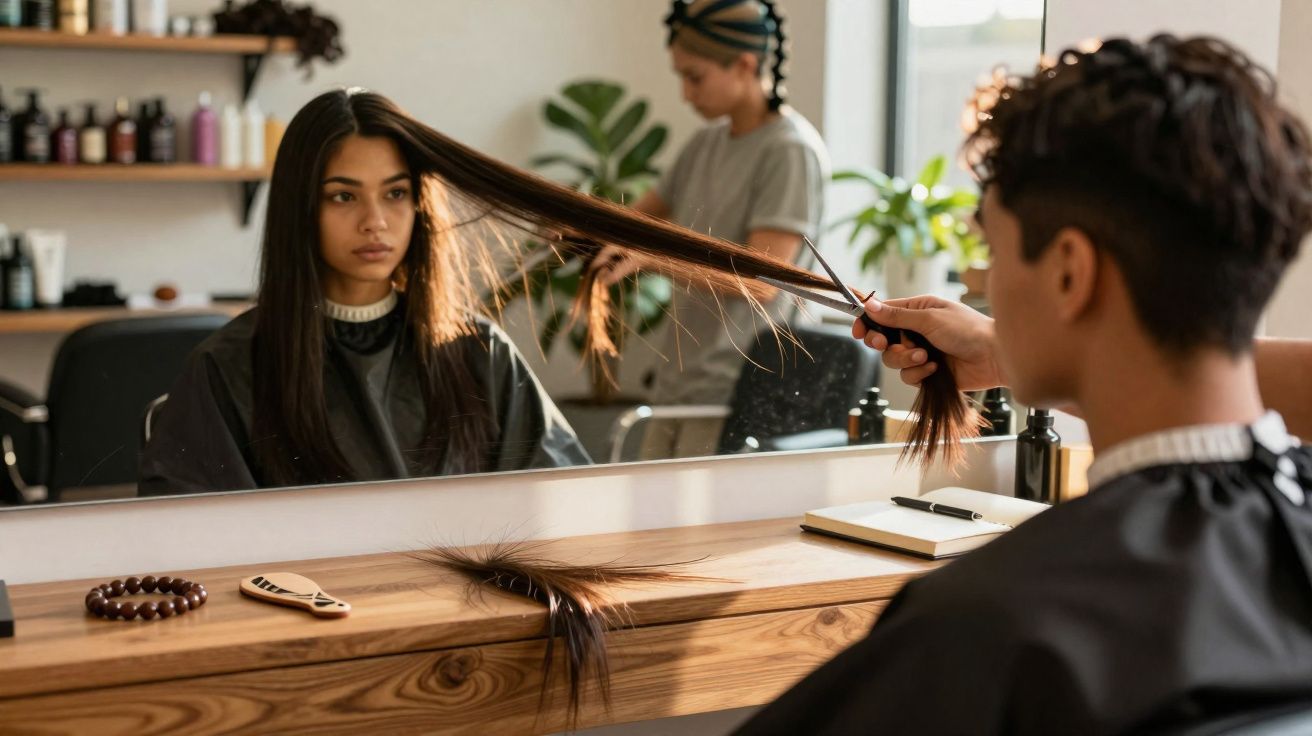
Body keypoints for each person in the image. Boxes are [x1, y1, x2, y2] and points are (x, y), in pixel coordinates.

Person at [737, 35, 1312, 734]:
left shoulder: (984, 626)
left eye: (991, 251)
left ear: (1070, 271)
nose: (985, 286)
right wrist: (999, 350)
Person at [140, 89, 590, 494]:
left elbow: (561, 507)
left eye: (395, 193)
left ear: (419, 205)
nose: (375, 221)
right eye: (344, 196)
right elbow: (192, 545)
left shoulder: (478, 352)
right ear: (301, 209)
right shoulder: (228, 367)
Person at [593, 0, 830, 459]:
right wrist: (571, 221)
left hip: (737, 393)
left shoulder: (789, 152)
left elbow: (764, 280)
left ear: (744, 65)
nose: (685, 93)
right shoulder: (705, 143)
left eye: (694, 76)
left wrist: (650, 258)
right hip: (680, 381)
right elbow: (637, 222)